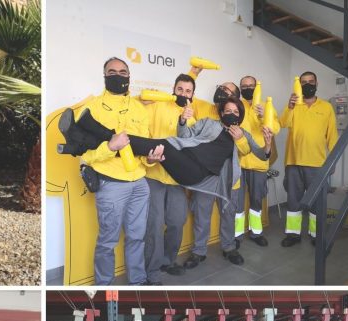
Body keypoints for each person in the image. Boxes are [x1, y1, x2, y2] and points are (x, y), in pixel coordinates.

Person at [60, 96, 272, 270]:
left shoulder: (242, 134)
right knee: (159, 146)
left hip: (202, 175)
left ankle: (86, 136)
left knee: (161, 145)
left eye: (235, 111)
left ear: (240, 115)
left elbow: (260, 155)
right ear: (221, 112)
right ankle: (83, 140)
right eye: (228, 110)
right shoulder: (209, 123)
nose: (231, 114)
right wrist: (182, 121)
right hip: (186, 160)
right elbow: (185, 134)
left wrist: (260, 141)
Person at [78, 57, 151, 285]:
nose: (118, 75)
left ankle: (137, 282)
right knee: (108, 241)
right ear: (104, 76)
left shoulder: (140, 108)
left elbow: (144, 146)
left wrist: (150, 159)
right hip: (111, 185)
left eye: (122, 71)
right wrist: (110, 147)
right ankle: (103, 287)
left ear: (129, 76)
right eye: (112, 72)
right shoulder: (91, 108)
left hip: (140, 183)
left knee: (137, 237)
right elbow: (84, 155)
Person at [143, 74, 196, 281]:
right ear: (173, 89)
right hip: (153, 175)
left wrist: (184, 120)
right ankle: (152, 271)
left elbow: (192, 146)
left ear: (192, 94)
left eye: (188, 91)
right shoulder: (157, 106)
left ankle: (168, 260)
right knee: (154, 225)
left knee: (176, 221)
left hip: (176, 179)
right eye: (180, 89)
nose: (183, 93)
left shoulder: (192, 117)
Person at [281, 71, 339, 247]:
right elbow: (282, 123)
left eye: (310, 81)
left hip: (317, 164)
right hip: (294, 162)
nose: (307, 85)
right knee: (293, 201)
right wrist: (290, 107)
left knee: (316, 202)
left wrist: (332, 162)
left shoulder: (326, 107)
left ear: (316, 83)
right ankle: (293, 234)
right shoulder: (293, 105)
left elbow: (333, 137)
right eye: (303, 82)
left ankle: (315, 234)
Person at [239, 76, 281, 247]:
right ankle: (237, 234)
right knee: (237, 202)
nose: (248, 88)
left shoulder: (266, 106)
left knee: (256, 200)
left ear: (257, 87)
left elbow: (276, 128)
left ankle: (256, 233)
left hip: (258, 162)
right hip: (239, 162)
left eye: (251, 85)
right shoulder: (237, 105)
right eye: (244, 86)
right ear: (240, 88)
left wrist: (266, 117)